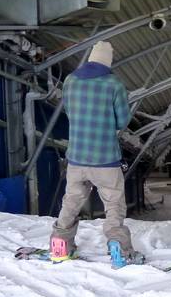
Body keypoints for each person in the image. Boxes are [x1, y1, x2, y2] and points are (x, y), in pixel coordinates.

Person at [49, 42, 143, 268]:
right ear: (108, 61)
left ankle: (60, 244)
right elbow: (122, 121)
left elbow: (69, 112)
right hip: (105, 159)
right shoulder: (113, 83)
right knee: (114, 204)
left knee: (71, 201)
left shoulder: (70, 81)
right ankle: (118, 247)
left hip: (77, 158)